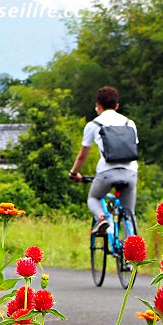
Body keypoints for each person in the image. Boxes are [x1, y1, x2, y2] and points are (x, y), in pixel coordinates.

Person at [68, 86, 139, 236]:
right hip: (130, 172)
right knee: (129, 211)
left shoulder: (93, 125)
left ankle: (101, 219)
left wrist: (74, 173)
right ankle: (131, 252)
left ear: (98, 105)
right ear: (117, 106)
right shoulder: (129, 123)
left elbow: (82, 156)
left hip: (107, 172)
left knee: (93, 198)